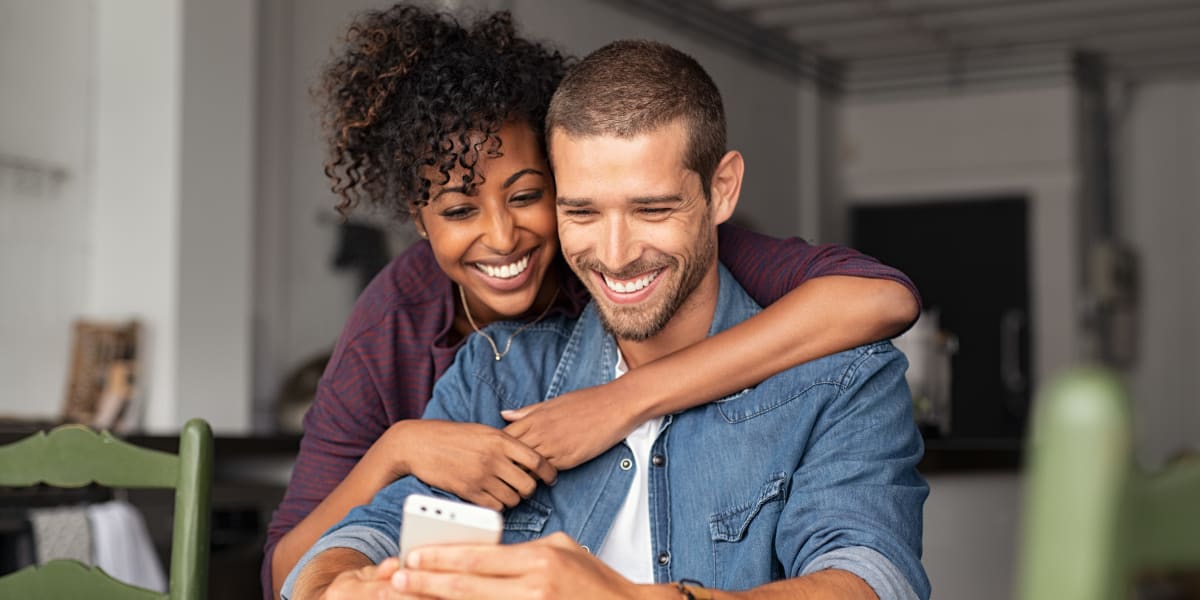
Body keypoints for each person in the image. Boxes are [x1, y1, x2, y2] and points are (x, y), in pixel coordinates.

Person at [264, 6, 922, 598]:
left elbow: (871, 580)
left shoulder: (840, 377)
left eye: (652, 208)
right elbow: (344, 544)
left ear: (722, 192)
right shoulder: (490, 367)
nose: (615, 251)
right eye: (582, 210)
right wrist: (340, 585)